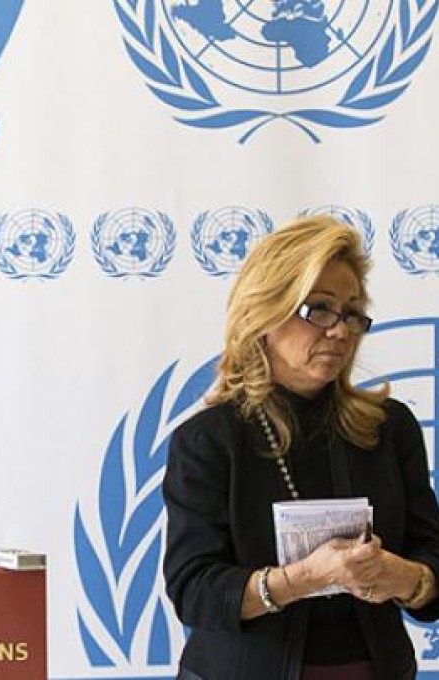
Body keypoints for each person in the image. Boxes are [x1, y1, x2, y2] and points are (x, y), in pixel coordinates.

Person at [162, 215, 439, 679]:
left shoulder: (391, 429)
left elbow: (433, 565)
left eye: (352, 312)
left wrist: (407, 579)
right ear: (263, 315)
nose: (341, 330)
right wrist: (306, 578)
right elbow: (195, 592)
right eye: (319, 309)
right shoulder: (208, 440)